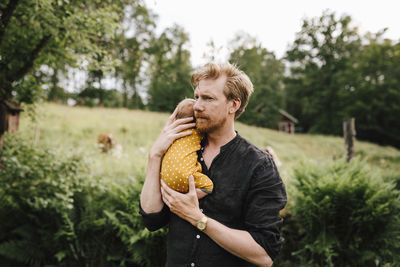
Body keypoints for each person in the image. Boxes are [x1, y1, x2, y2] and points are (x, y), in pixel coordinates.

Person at [139, 62, 287, 266]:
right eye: (197, 96)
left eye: (208, 98)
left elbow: (264, 254)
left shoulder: (258, 166)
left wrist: (198, 219)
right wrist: (155, 155)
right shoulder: (181, 151)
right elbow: (152, 219)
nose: (197, 105)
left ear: (233, 105)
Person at [160, 98, 213, 197]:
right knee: (208, 186)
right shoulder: (197, 133)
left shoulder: (172, 134)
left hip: (165, 179)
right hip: (186, 178)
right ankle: (187, 198)